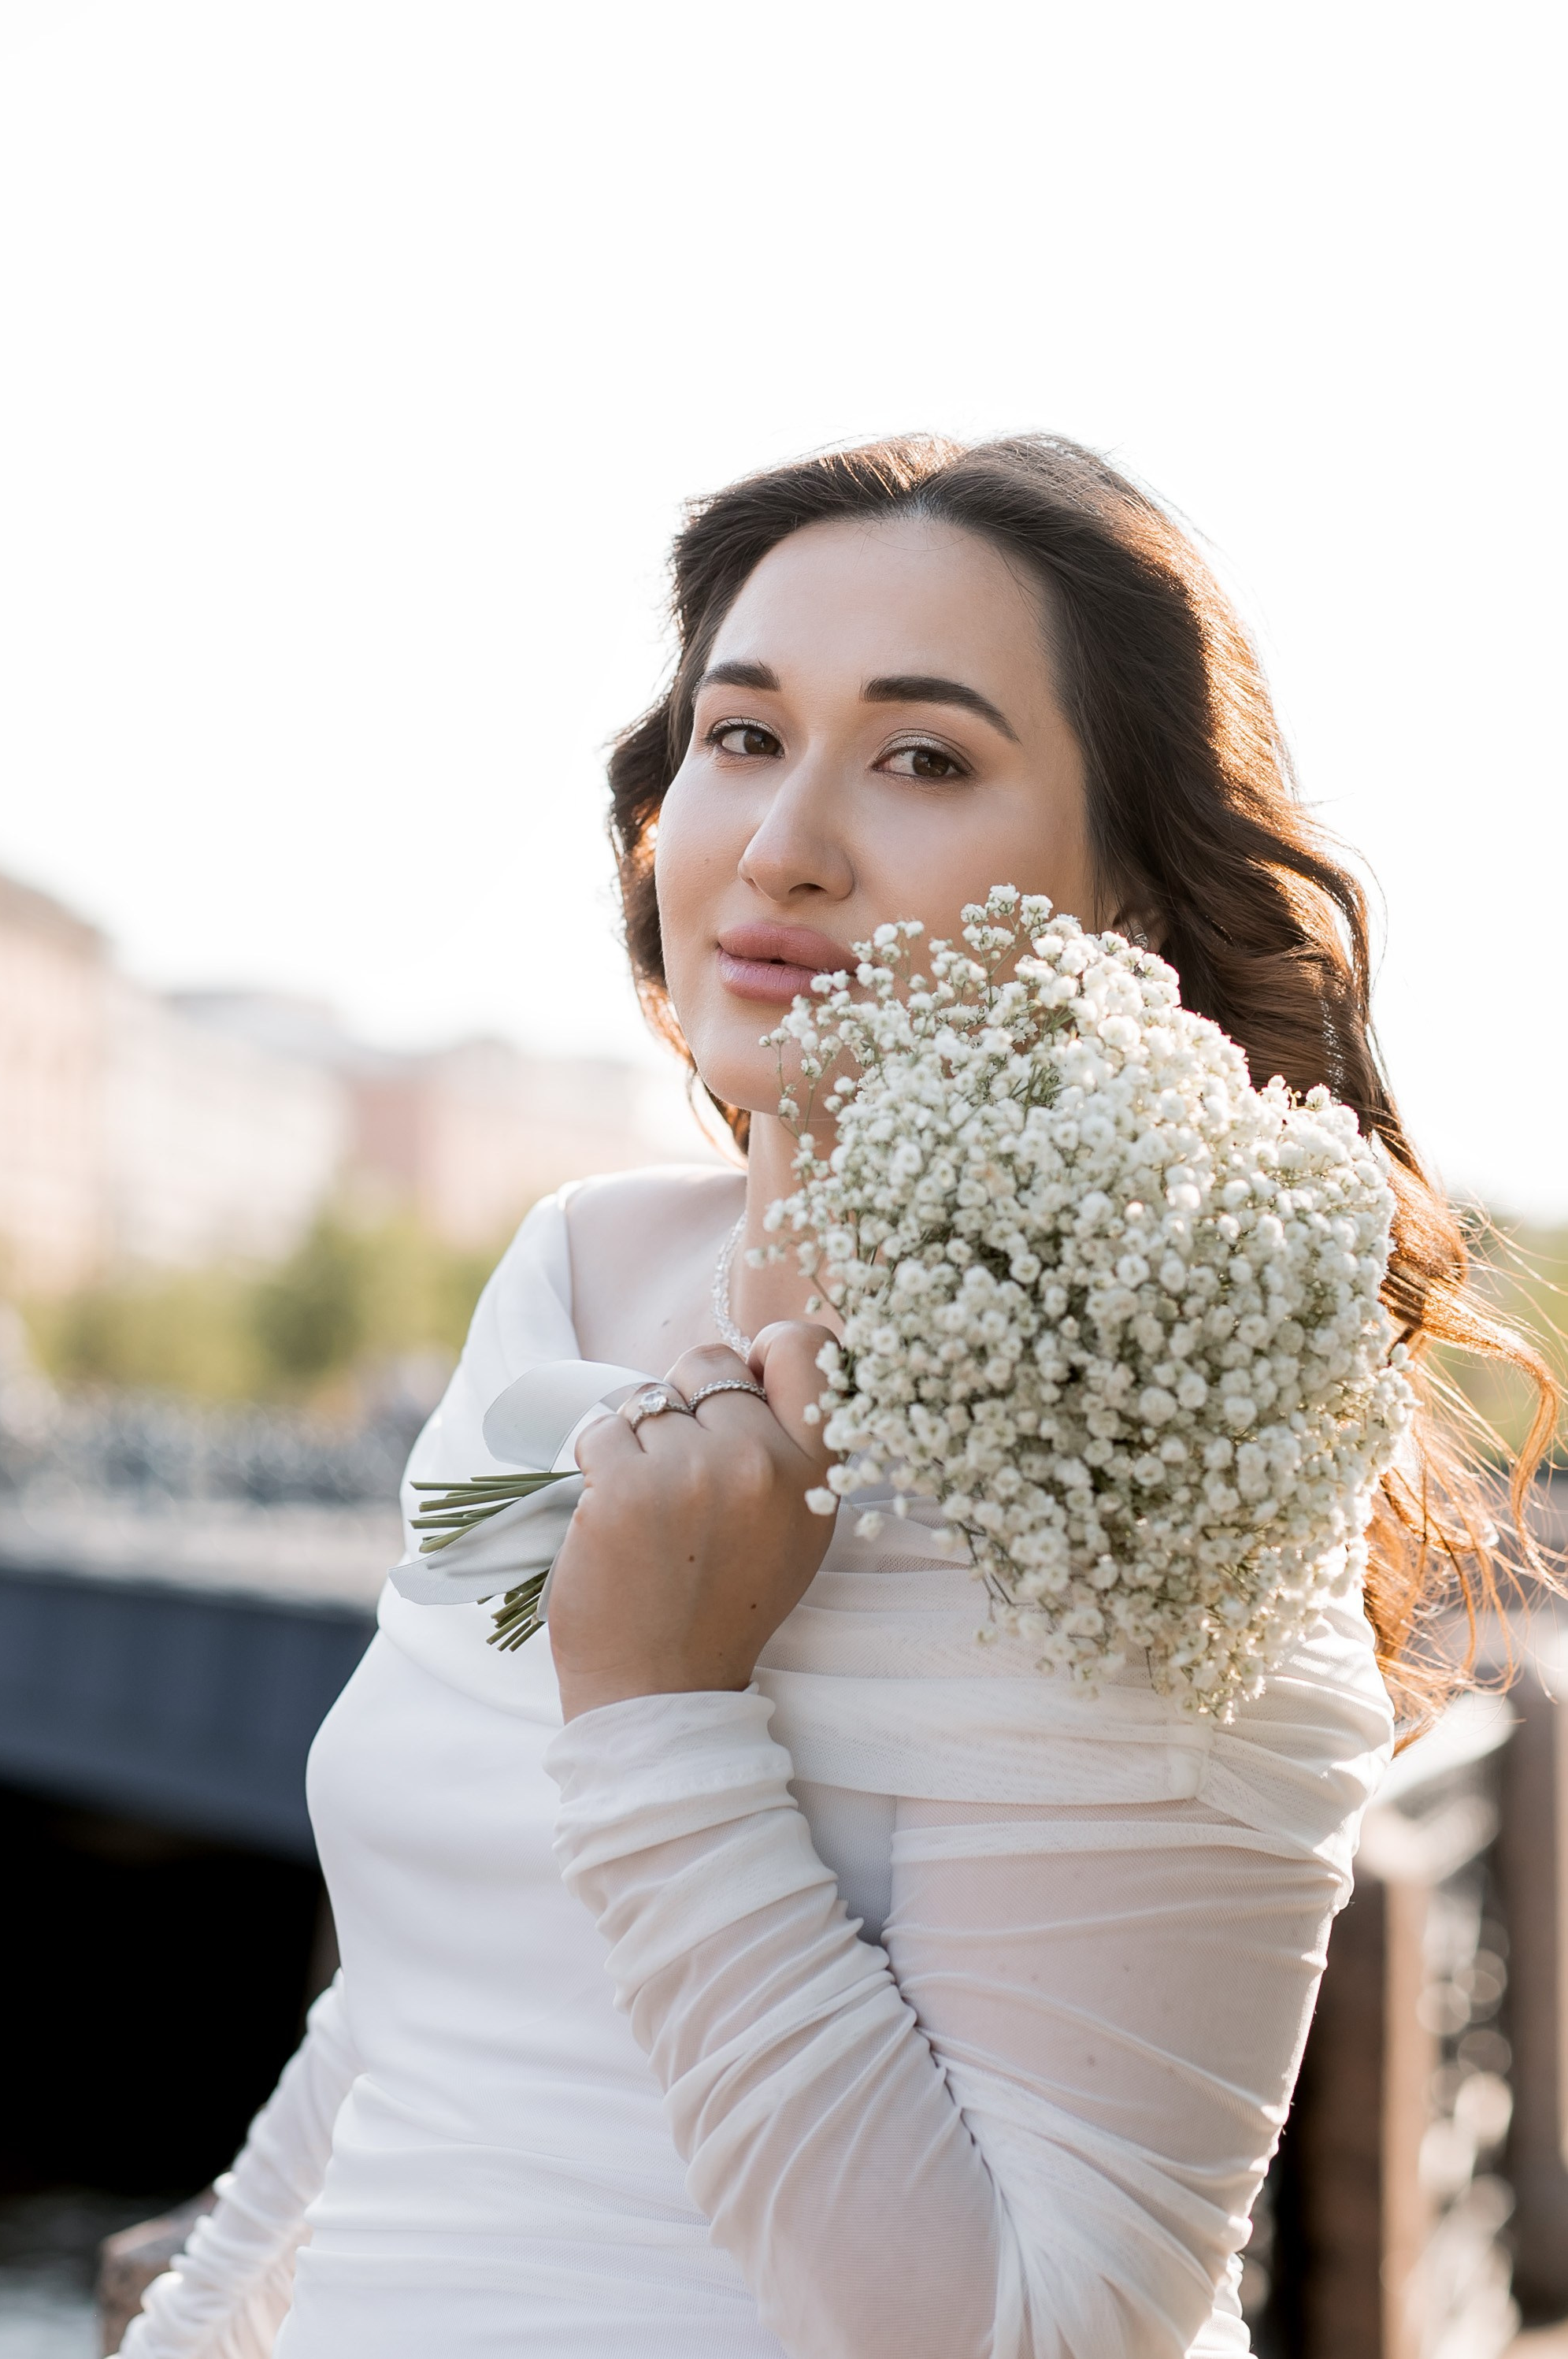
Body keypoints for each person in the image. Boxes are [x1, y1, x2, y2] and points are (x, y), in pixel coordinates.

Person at [123, 435, 1551, 2359]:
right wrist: (200, 2322)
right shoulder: (574, 1272)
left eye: (925, 758)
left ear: (1126, 898)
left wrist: (660, 1722)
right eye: (740, 735)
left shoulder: (1172, 1465)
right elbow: (422, 1993)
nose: (785, 840)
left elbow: (1051, 2332)